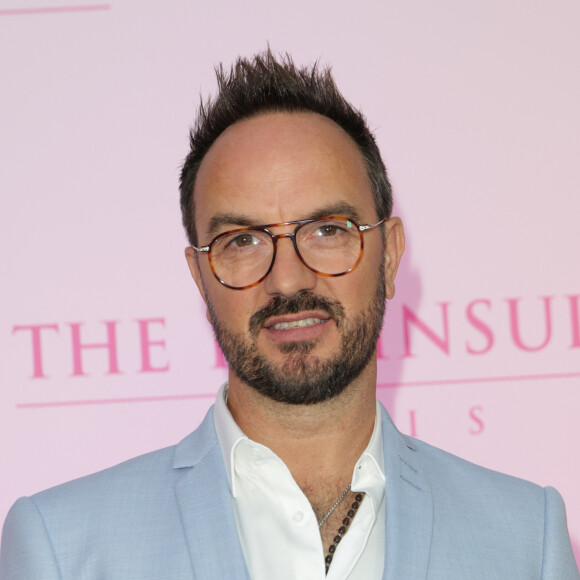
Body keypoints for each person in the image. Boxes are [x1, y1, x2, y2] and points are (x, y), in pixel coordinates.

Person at [1, 49, 578, 580]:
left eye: (329, 230)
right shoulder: (64, 546)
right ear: (199, 277)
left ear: (392, 253)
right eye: (243, 240)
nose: (288, 279)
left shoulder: (527, 535)